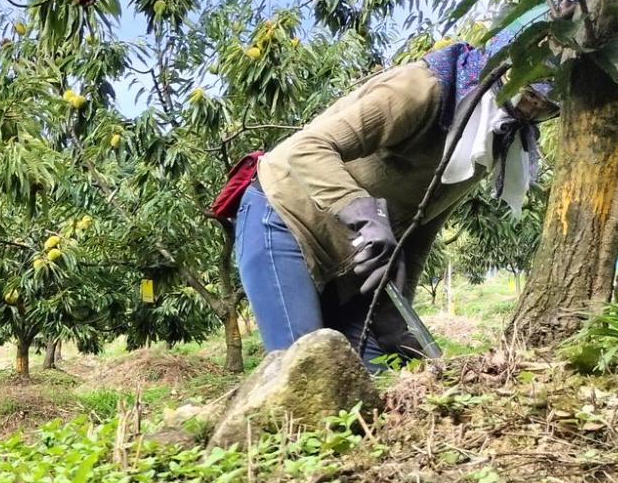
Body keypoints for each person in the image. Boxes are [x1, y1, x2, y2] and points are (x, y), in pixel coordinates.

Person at [230, 36, 559, 365]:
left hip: (354, 256)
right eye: (530, 95)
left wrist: (397, 309)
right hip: (284, 217)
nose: (533, 110)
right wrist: (364, 214)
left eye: (547, 107)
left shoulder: (492, 140)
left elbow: (423, 223)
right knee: (306, 371)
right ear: (503, 71)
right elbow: (308, 149)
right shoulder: (422, 90)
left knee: (377, 373)